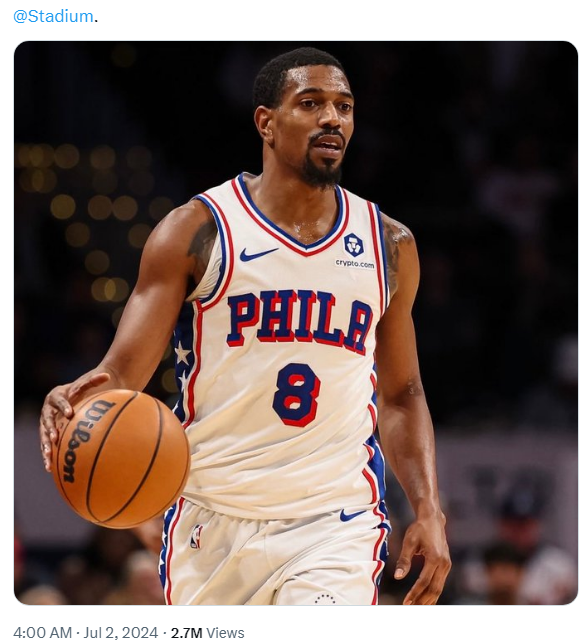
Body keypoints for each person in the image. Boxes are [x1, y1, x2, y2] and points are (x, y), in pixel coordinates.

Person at [40, 47, 451, 605]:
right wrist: (77, 401)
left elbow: (403, 393)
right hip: (212, 519)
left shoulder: (389, 245)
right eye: (311, 103)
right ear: (266, 122)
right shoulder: (196, 230)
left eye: (344, 106)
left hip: (333, 521)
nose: (333, 118)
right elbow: (121, 374)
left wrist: (428, 508)